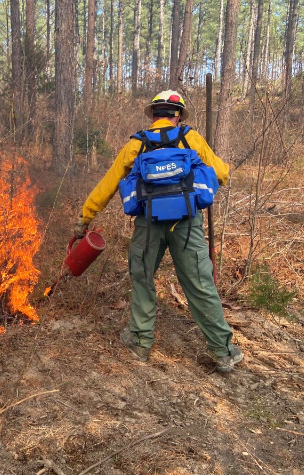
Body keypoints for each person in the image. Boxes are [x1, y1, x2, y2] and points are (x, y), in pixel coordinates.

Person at [74, 90, 243, 373]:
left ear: (152, 115)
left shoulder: (136, 145)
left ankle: (140, 343)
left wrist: (85, 218)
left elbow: (109, 183)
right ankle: (223, 352)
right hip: (187, 225)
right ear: (177, 116)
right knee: (200, 285)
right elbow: (222, 175)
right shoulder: (191, 138)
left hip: (148, 225)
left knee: (142, 278)